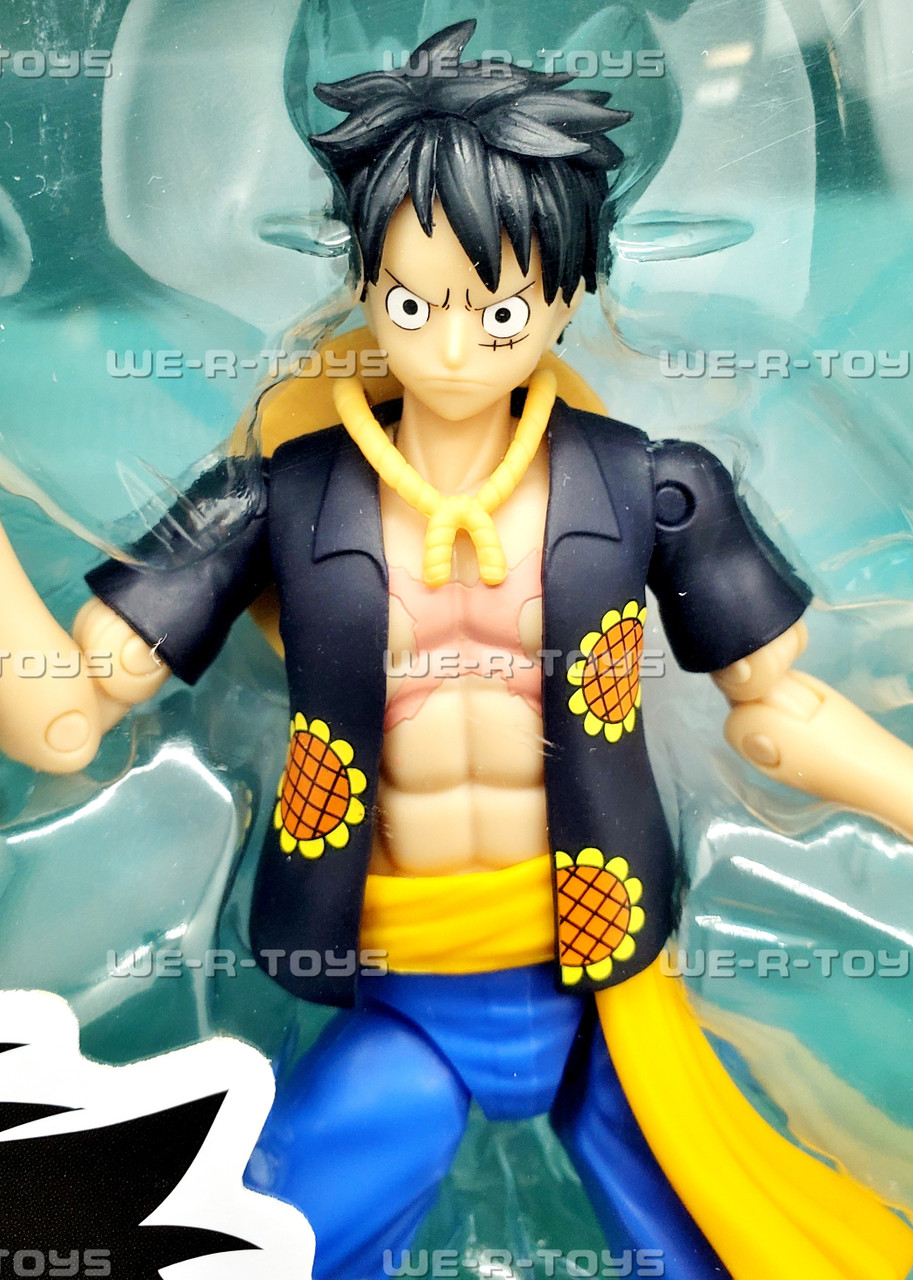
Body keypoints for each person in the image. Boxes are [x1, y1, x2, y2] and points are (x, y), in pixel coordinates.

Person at [1, 19, 912, 1280]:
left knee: (734, 1236)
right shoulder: (274, 501)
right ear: (363, 280)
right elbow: (63, 720)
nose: (448, 345)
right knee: (253, 1237)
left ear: (569, 292)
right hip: (397, 978)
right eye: (413, 301)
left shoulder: (653, 489)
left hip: (601, 983)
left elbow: (777, 710)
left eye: (500, 308)